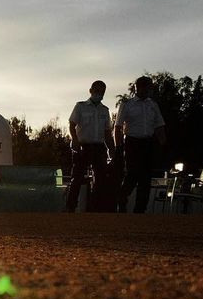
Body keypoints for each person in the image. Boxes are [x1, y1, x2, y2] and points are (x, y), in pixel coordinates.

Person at [114, 75, 167, 213]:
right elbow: (118, 126)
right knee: (132, 174)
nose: (148, 90)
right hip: (132, 142)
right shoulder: (127, 104)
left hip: (148, 143)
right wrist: (118, 146)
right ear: (138, 88)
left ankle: (140, 210)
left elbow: (159, 125)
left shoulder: (153, 105)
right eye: (146, 87)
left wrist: (163, 144)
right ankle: (122, 197)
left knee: (146, 177)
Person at [64, 80, 114, 212]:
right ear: (91, 91)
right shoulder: (80, 106)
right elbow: (71, 125)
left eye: (102, 91)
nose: (99, 94)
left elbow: (107, 132)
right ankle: (70, 207)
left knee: (101, 179)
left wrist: (112, 149)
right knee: (77, 178)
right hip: (83, 146)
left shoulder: (105, 110)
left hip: (99, 147)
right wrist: (75, 140)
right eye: (97, 90)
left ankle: (95, 208)